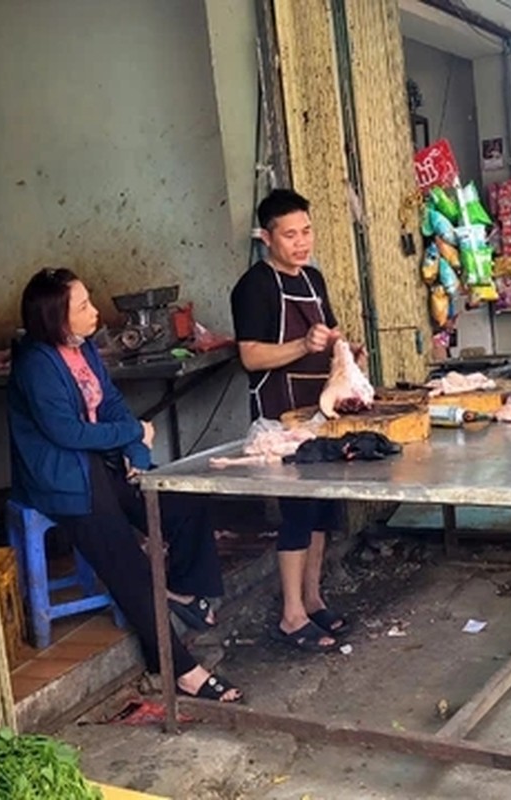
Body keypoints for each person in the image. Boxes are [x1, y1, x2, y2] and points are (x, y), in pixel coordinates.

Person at [8, 268, 242, 702]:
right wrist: (133, 433)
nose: (94, 311)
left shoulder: (83, 350)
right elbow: (66, 434)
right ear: (54, 317)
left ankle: (185, 592)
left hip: (102, 466)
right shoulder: (36, 364)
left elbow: (113, 405)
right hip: (63, 481)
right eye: (82, 307)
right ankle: (178, 669)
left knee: (183, 503)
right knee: (128, 565)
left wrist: (137, 453)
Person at [229, 189, 350, 653]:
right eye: (290, 235)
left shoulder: (314, 280)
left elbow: (328, 336)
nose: (301, 243)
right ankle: (291, 615)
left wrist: (344, 352)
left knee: (321, 510)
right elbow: (251, 356)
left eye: (306, 231)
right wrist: (303, 345)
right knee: (297, 513)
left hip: (319, 410)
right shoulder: (254, 286)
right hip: (280, 417)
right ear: (266, 237)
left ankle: (314, 600)